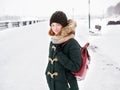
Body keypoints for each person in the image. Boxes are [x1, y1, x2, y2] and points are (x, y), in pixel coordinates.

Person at [45, 11, 82, 90]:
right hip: (53, 85)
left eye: (58, 24)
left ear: (64, 25)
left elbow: (76, 67)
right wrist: (47, 73)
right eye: (53, 25)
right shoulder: (53, 41)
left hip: (67, 86)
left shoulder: (72, 43)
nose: (55, 28)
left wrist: (60, 54)